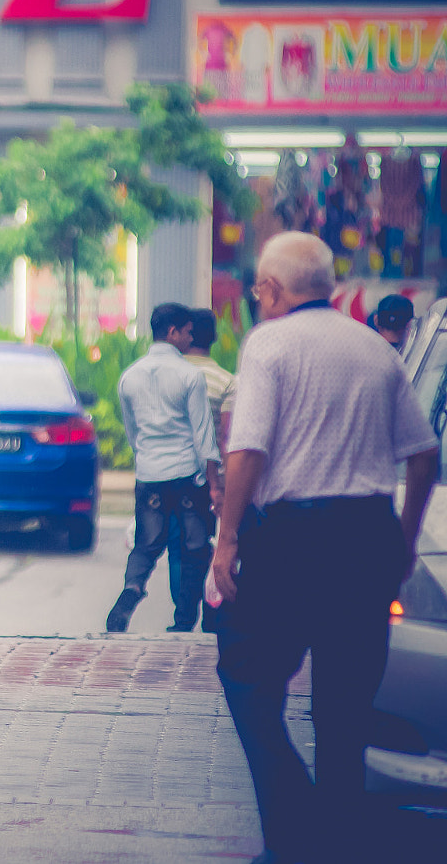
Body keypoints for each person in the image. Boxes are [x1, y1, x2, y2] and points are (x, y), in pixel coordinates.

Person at [212, 232, 437, 864]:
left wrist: (226, 542)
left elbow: (247, 450)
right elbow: (423, 456)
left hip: (292, 539)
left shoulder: (270, 343)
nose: (259, 299)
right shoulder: (374, 347)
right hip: (367, 537)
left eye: (259, 289)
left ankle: (293, 836)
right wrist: (403, 542)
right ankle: (334, 844)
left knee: (248, 679)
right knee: (344, 708)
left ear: (274, 289)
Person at [106, 302, 221, 634]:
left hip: (149, 474)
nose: (189, 337)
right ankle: (184, 618)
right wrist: (214, 484)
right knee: (194, 547)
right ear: (172, 332)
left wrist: (146, 460)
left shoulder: (130, 377)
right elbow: (203, 436)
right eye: (186, 331)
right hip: (187, 476)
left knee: (147, 544)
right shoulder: (189, 376)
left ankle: (131, 590)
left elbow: (133, 432)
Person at [170, 307, 236, 633]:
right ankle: (211, 618)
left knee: (179, 547)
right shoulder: (226, 381)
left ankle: (182, 616)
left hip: (169, 475)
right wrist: (223, 485)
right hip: (211, 482)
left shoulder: (166, 376)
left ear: (187, 334)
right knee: (212, 545)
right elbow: (227, 439)